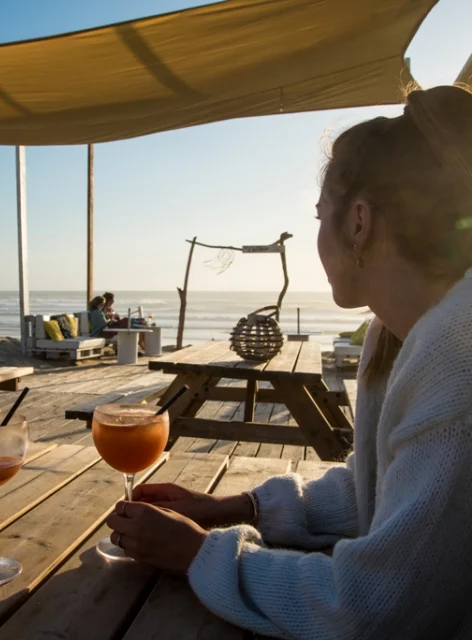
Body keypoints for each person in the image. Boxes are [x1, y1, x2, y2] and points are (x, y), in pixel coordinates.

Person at [106, 85, 472, 638]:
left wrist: (200, 554)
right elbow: (372, 489)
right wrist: (231, 507)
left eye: (321, 216)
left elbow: (374, 609)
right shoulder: (393, 336)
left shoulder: (456, 360)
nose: (316, 237)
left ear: (358, 223)